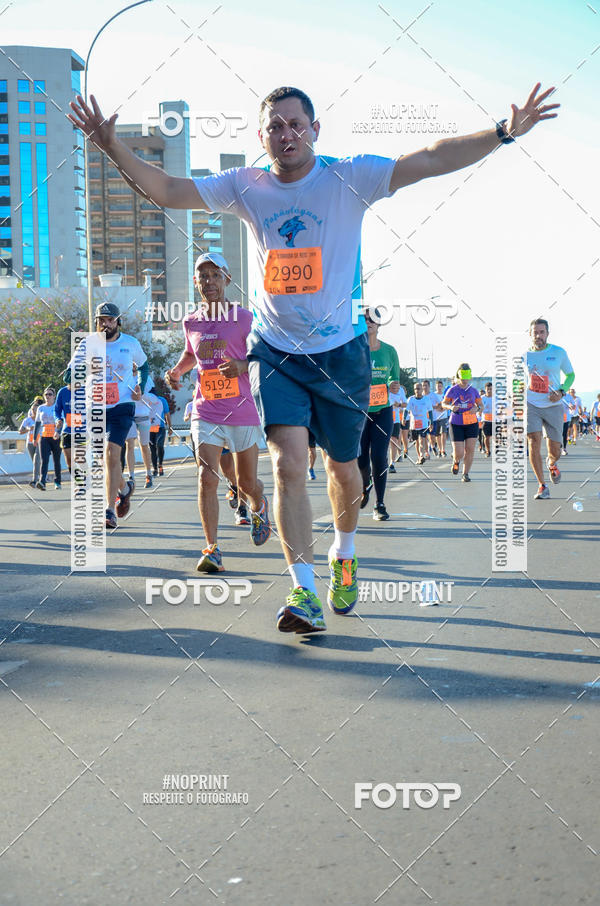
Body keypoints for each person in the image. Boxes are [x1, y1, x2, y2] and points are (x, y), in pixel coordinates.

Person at [70, 81, 558, 633]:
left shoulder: (350, 177)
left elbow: (427, 159)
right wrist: (112, 146)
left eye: (295, 124)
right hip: (277, 352)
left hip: (340, 354)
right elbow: (166, 188)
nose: (287, 135)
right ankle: (302, 590)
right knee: (287, 466)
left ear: (315, 130)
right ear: (262, 137)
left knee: (343, 471)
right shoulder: (247, 186)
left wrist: (502, 132)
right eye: (275, 127)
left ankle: (343, 551)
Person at [165, 252, 270, 572]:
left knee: (246, 482)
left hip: (241, 409)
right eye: (203, 276)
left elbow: (265, 354)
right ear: (195, 282)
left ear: (227, 279)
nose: (208, 281)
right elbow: (190, 353)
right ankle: (212, 549)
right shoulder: (191, 321)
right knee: (206, 476)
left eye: (215, 275)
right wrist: (178, 370)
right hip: (205, 408)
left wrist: (242, 365)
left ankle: (259, 503)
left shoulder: (245, 318)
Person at [69, 301, 149, 528]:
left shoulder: (130, 343)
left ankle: (109, 510)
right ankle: (124, 488)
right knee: (106, 459)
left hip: (122, 404)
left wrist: (140, 386)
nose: (106, 324)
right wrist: (76, 373)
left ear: (118, 321)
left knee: (112, 452)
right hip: (95, 406)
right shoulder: (87, 344)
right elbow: (71, 371)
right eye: (101, 320)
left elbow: (143, 366)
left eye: (110, 320)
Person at [358, 308, 400, 521]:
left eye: (373, 319)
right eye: (365, 319)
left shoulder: (389, 351)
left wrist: (393, 385)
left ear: (379, 323)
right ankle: (364, 485)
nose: (369, 322)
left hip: (383, 410)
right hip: (360, 412)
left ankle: (379, 503)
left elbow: (394, 378)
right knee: (361, 458)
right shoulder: (354, 349)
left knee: (379, 457)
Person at [525, 317, 574, 499]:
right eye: (535, 332)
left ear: (547, 333)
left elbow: (570, 375)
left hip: (553, 405)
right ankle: (542, 486)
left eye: (541, 332)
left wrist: (561, 392)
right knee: (533, 441)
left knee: (555, 450)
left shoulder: (559, 352)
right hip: (531, 404)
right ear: (530, 334)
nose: (538, 335)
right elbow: (516, 381)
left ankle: (552, 463)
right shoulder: (523, 357)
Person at [442, 365, 482, 482]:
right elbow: (443, 403)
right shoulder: (452, 390)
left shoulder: (473, 390)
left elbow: (481, 405)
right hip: (456, 423)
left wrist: (477, 408)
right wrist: (451, 407)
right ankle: (456, 461)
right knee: (459, 453)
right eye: (463, 375)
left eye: (467, 375)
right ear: (459, 375)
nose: (465, 379)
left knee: (470, 449)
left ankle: (465, 474)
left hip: (472, 423)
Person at [35, 387, 62, 490]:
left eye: (50, 394)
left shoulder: (57, 407)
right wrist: (35, 438)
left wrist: (58, 432)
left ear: (54, 396)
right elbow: (37, 423)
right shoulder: (41, 408)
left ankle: (57, 482)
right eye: (46, 394)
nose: (48, 396)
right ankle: (42, 481)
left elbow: (62, 421)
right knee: (44, 460)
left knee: (56, 460)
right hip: (44, 437)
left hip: (56, 436)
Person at [405, 382, 433, 465]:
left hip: (423, 424)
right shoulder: (411, 399)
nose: (417, 390)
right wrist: (403, 418)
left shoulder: (426, 399)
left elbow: (430, 411)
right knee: (416, 441)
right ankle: (419, 457)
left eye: (418, 389)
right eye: (415, 389)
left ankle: (421, 455)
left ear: (422, 389)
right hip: (413, 424)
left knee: (422, 440)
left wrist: (431, 423)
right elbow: (406, 410)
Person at [19, 395, 43, 487]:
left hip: (39, 442)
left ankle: (34, 480)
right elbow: (20, 431)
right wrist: (29, 429)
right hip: (30, 443)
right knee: (35, 461)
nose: (33, 411)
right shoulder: (27, 420)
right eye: (32, 409)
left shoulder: (42, 419)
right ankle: (42, 477)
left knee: (36, 460)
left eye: (35, 409)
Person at [54, 380, 77, 474]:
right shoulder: (62, 391)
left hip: (82, 430)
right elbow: (57, 410)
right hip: (67, 430)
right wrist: (58, 419)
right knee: (69, 459)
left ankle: (84, 480)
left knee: (79, 458)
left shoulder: (85, 390)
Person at [430, 379, 447, 457]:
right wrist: (437, 407)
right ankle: (440, 449)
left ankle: (443, 450)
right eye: (438, 386)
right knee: (437, 435)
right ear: (435, 387)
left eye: (440, 386)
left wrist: (444, 408)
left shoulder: (445, 395)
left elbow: (447, 404)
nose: (439, 387)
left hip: (443, 416)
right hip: (435, 417)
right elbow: (431, 405)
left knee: (443, 433)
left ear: (442, 387)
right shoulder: (433, 395)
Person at [480, 382, 494, 456]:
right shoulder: (482, 398)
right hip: (485, 420)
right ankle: (488, 451)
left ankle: (496, 449)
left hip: (495, 420)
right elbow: (478, 407)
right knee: (486, 437)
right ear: (485, 389)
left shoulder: (496, 397)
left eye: (491, 389)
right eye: (488, 389)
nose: (489, 390)